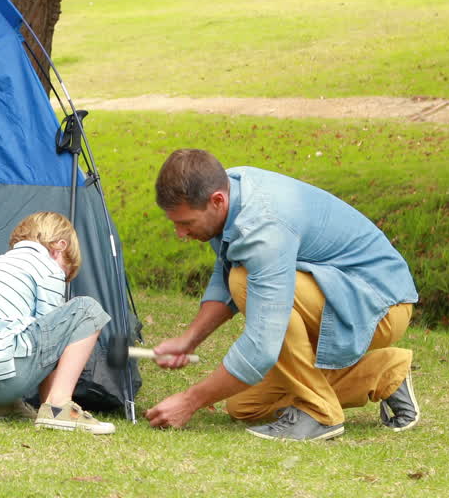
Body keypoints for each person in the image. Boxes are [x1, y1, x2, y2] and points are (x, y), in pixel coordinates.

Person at [143, 149, 420, 441]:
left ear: (217, 201)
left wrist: (190, 401)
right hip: (336, 296)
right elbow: (225, 273)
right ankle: (386, 373)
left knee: (245, 281)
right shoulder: (227, 189)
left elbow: (263, 344)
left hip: (380, 305)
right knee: (245, 406)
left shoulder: (262, 226)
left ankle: (320, 414)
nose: (180, 234)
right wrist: (189, 340)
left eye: (186, 223)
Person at [0, 211, 115, 434]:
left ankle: (3, 406)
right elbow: (52, 343)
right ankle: (58, 408)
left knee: (5, 334)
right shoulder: (47, 267)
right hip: (7, 380)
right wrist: (50, 403)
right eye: (66, 272)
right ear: (60, 247)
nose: (62, 279)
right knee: (88, 309)